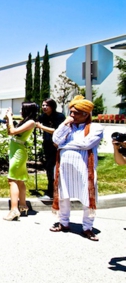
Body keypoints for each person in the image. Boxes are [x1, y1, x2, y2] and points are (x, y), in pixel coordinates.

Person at [50, 95, 104, 241]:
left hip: (84, 169)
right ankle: (63, 223)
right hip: (64, 168)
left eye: (75, 113)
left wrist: (64, 146)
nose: (72, 115)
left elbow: (87, 143)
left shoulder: (96, 128)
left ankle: (87, 227)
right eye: (71, 112)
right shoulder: (67, 127)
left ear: (85, 114)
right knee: (63, 195)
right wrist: (64, 125)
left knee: (87, 196)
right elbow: (55, 139)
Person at [3, 102, 38, 221]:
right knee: (20, 181)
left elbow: (13, 132)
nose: (20, 111)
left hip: (18, 153)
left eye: (22, 109)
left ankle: (14, 209)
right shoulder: (25, 121)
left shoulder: (31, 122)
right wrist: (8, 120)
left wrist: (10, 118)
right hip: (15, 151)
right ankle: (23, 206)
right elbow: (10, 131)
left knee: (12, 180)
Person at [35, 98, 66, 199]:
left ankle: (52, 192)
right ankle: (52, 190)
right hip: (47, 145)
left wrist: (41, 127)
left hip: (58, 146)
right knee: (49, 168)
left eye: (46, 105)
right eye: (43, 105)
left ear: (52, 106)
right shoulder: (43, 117)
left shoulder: (59, 116)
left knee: (53, 168)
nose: (44, 107)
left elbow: (57, 131)